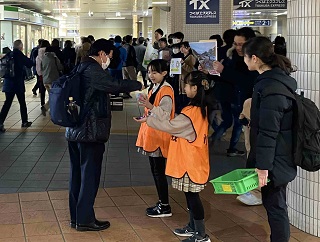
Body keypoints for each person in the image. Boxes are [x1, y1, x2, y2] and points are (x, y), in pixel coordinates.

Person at [65, 39, 143, 231]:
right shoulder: (93, 70)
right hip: (89, 132)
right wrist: (137, 84)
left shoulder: (80, 67)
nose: (109, 59)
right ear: (101, 53)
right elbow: (114, 85)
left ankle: (76, 217)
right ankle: (84, 219)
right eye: (109, 55)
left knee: (77, 174)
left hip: (74, 131)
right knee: (89, 175)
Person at [135, 71, 211, 242]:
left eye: (186, 84)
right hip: (192, 162)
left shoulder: (191, 112)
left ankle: (201, 235)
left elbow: (170, 126)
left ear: (194, 88)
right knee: (189, 196)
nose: (184, 87)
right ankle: (192, 227)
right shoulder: (199, 109)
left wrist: (148, 120)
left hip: (190, 164)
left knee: (193, 198)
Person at [243, 36, 297, 242]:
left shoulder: (271, 87)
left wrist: (263, 166)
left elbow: (269, 130)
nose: (245, 61)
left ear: (254, 58)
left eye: (246, 57)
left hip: (275, 158)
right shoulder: (275, 80)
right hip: (278, 153)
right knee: (275, 205)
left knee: (275, 207)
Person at [135, 59, 175, 218]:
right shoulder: (156, 86)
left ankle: (165, 206)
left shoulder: (166, 90)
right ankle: (162, 202)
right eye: (149, 72)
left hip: (160, 135)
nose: (151, 75)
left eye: (155, 72)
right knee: (156, 170)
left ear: (164, 73)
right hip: (154, 133)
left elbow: (165, 114)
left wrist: (149, 106)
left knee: (159, 171)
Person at [212, 27, 258, 157]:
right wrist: (211, 72)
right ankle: (229, 146)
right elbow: (226, 77)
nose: (238, 47)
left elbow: (247, 80)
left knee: (241, 129)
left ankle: (230, 146)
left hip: (247, 102)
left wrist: (224, 71)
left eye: (241, 44)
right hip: (230, 97)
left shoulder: (256, 60)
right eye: (235, 44)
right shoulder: (231, 56)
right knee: (234, 123)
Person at [0, 40, 33, 132]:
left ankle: (0, 122)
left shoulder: (8, 54)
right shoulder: (19, 54)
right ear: (20, 46)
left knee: (7, 103)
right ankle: (24, 121)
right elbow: (30, 64)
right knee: (22, 102)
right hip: (17, 83)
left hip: (8, 83)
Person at [41, 46, 64, 116]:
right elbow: (60, 67)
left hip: (45, 80)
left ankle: (48, 108)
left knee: (51, 96)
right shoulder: (54, 57)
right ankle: (48, 108)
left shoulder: (43, 58)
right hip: (52, 80)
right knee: (55, 96)